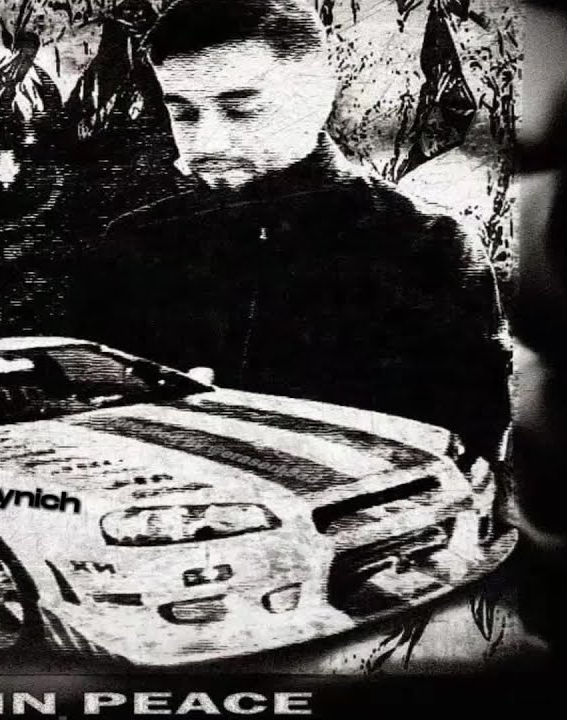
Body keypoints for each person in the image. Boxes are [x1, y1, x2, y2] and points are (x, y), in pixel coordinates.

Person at [73, 0, 513, 465]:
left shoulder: (431, 248)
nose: (208, 142)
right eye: (184, 114)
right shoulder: (132, 244)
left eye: (240, 110)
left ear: (316, 96)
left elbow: (465, 459)